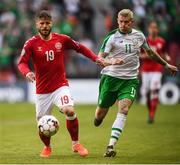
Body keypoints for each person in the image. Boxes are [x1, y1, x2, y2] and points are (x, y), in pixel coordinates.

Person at [17, 10, 106, 158]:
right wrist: (27, 73)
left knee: (69, 111)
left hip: (60, 86)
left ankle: (76, 144)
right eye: (42, 23)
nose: (45, 26)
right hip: (42, 91)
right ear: (37, 25)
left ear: (52, 23)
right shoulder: (31, 43)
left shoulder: (62, 39)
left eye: (47, 23)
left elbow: (80, 48)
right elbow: (22, 63)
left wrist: (95, 58)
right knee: (42, 123)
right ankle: (47, 147)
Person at [93, 9, 178, 157]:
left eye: (126, 22)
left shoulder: (139, 36)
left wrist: (166, 65)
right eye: (121, 22)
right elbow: (99, 58)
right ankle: (99, 117)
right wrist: (111, 61)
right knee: (99, 116)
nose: (123, 24)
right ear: (117, 21)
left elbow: (150, 52)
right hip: (111, 78)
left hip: (130, 80)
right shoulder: (111, 37)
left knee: (124, 110)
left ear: (132, 22)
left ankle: (110, 146)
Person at [140, 21, 170, 123]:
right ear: (148, 29)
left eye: (155, 28)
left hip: (157, 69)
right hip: (146, 70)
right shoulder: (144, 42)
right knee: (147, 93)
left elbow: (164, 53)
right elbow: (138, 55)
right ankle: (151, 111)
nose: (153, 30)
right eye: (152, 28)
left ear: (157, 29)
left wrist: (167, 58)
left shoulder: (161, 41)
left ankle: (152, 115)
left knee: (154, 89)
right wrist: (146, 56)